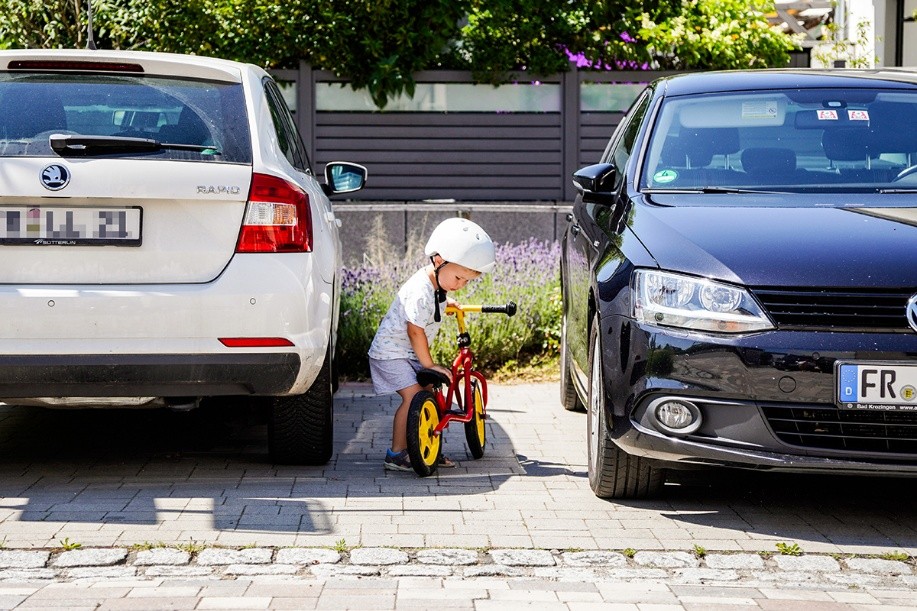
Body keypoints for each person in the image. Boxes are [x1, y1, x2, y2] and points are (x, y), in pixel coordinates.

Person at [368, 217, 496, 472]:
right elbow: (415, 331)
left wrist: (447, 304)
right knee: (414, 396)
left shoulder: (436, 286)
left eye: (467, 282)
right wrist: (429, 365)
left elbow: (432, 306)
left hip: (405, 353)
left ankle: (427, 446)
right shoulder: (420, 290)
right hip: (390, 354)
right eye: (459, 277)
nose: (460, 285)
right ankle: (396, 453)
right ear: (439, 261)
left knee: (430, 392)